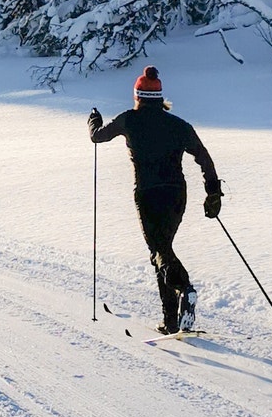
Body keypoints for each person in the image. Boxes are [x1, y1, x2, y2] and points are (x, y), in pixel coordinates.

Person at [88, 65, 222, 334]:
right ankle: (170, 320)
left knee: (159, 251)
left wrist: (94, 119)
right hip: (176, 194)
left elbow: (97, 137)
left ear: (137, 96)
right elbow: (203, 156)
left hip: (147, 194)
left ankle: (185, 289)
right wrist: (213, 192)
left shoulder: (128, 120)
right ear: (160, 98)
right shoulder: (179, 125)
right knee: (163, 250)